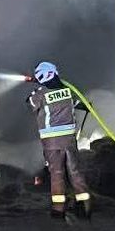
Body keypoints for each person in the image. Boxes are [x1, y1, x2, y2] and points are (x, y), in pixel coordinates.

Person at [27, 61, 91, 218]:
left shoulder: (41, 93)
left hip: (52, 141)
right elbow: (75, 104)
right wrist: (85, 105)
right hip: (69, 139)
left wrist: (35, 90)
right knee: (75, 171)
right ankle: (85, 206)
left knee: (57, 173)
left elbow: (29, 104)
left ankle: (58, 209)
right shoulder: (67, 91)